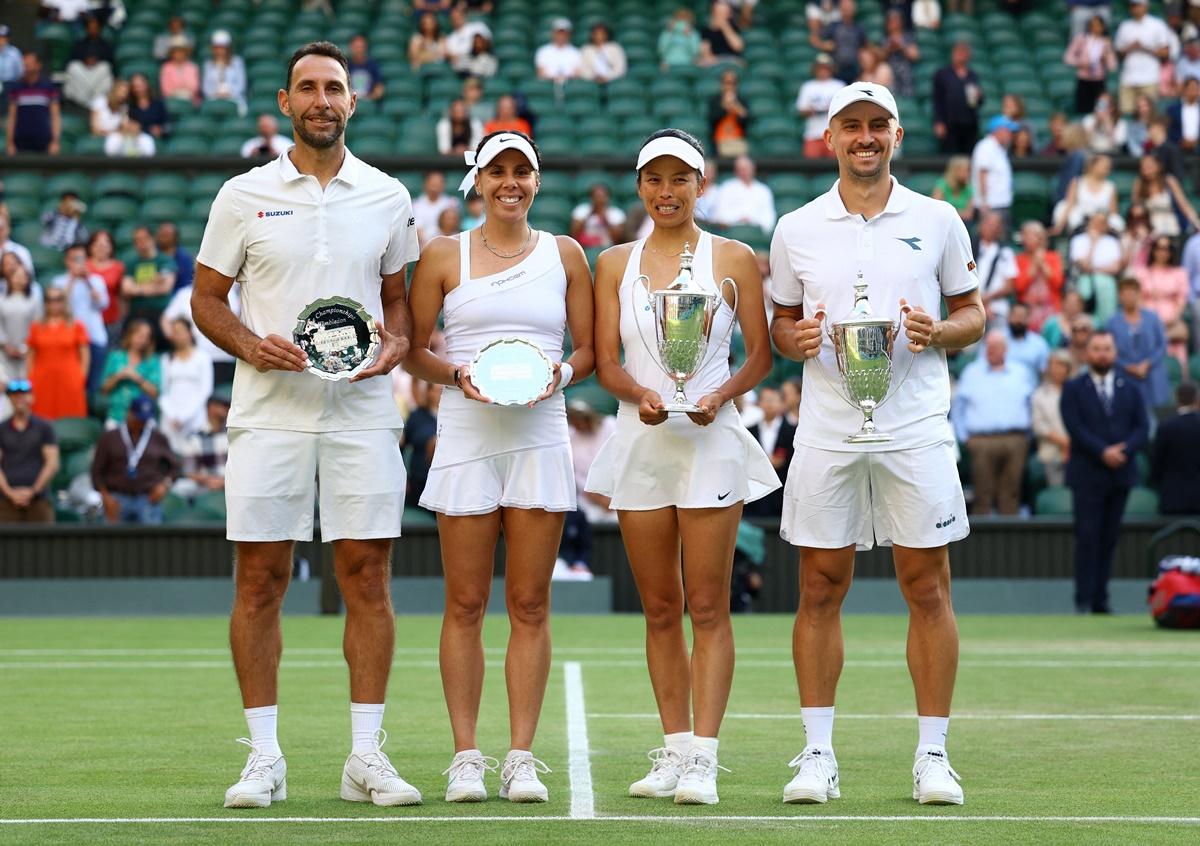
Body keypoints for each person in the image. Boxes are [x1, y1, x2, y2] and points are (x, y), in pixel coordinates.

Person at [191, 41, 423, 808]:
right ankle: (264, 758)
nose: (322, 100)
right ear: (286, 104)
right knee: (260, 580)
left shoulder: (388, 196)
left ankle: (366, 758)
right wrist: (250, 343)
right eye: (308, 88)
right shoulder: (240, 195)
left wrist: (394, 344)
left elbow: (398, 306)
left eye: (335, 88)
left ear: (352, 102)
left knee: (368, 576)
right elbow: (206, 300)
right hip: (268, 415)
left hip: (360, 413)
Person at [769, 82, 984, 807]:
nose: (864, 137)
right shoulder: (796, 226)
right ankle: (817, 755)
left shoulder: (939, 217)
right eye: (851, 126)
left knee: (927, 588)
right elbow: (783, 324)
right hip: (829, 426)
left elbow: (972, 313)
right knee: (819, 587)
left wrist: (939, 333)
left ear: (896, 136)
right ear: (829, 138)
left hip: (916, 426)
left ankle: (933, 757)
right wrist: (788, 339)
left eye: (877, 126)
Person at [586, 128, 776, 805]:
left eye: (680, 179)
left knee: (708, 605)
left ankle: (704, 758)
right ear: (641, 186)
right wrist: (634, 392)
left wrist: (720, 394)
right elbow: (605, 359)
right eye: (655, 180)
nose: (667, 192)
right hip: (641, 443)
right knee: (660, 608)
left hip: (712, 440)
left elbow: (761, 356)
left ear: (702, 184)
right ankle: (671, 748)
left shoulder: (737, 258)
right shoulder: (611, 263)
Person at [403, 129, 594, 803]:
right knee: (464, 601)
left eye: (522, 171)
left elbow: (592, 351)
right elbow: (413, 349)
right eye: (497, 171)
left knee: (530, 602)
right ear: (477, 181)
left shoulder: (567, 255)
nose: (510, 182)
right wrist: (457, 374)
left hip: (540, 432)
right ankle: (465, 756)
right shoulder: (440, 255)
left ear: (535, 181)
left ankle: (520, 756)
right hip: (465, 434)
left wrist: (560, 372)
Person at [1060, 330, 1148, 613]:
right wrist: (1103, 451)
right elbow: (1074, 427)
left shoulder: (1131, 388)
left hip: (1120, 473)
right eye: (1096, 348)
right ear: (1087, 354)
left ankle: (1101, 600)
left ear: (1115, 353)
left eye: (1107, 348)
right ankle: (1083, 599)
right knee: (1087, 536)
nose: (1102, 353)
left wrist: (1124, 450)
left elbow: (1142, 428)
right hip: (1087, 473)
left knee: (1110, 538)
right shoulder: (1073, 388)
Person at [951, 331, 1035, 515]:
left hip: (1016, 439)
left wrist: (1027, 436)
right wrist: (965, 438)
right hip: (981, 441)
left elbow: (1031, 404)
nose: (992, 350)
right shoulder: (972, 372)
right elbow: (958, 408)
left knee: (1012, 494)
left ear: (1005, 349)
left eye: (996, 346)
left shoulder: (1020, 372)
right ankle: (982, 542)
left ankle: (1011, 539)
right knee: (982, 495)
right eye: (988, 346)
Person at [91, 394, 180, 525]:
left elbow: (175, 468)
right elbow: (96, 472)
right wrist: (106, 497)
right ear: (129, 413)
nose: (141, 422)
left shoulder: (158, 437)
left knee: (151, 543)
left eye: (145, 419)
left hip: (148, 498)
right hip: (116, 498)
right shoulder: (109, 438)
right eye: (138, 418)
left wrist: (164, 485)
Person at [51, 243, 108, 395]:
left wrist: (87, 281)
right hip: (69, 340)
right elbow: (59, 307)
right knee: (70, 384)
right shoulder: (60, 282)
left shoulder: (96, 280)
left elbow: (103, 304)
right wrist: (73, 280)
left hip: (94, 338)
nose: (78, 263)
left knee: (92, 387)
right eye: (74, 259)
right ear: (67, 261)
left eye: (81, 259)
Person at [1108, 276, 1170, 414]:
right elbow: (1109, 349)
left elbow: (1162, 345)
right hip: (1124, 375)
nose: (1128, 297)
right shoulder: (1113, 322)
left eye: (1132, 292)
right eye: (1124, 293)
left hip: (1151, 375)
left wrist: (1147, 363)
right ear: (1119, 296)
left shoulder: (1152, 318)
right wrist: (1126, 366)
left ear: (1138, 294)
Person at [0, 379, 59, 524]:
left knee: (44, 544)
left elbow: (52, 463)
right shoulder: (1, 429)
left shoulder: (44, 427)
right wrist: (10, 493)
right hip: (6, 501)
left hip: (39, 500)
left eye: (24, 394)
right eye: (15, 395)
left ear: (32, 397)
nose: (19, 398)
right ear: (10, 399)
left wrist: (33, 491)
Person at [26, 287, 89, 420]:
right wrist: (31, 378)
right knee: (41, 416)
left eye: (58, 299)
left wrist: (80, 379)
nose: (53, 304)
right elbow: (30, 356)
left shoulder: (76, 325)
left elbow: (85, 356)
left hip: (69, 379)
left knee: (71, 416)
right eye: (49, 300)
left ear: (63, 302)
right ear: (45, 303)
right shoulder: (36, 326)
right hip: (42, 380)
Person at [159, 317, 213, 455]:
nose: (178, 335)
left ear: (190, 332)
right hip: (170, 418)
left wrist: (184, 417)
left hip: (195, 416)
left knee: (194, 456)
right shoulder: (166, 359)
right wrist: (171, 415)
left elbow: (206, 390)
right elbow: (162, 392)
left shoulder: (203, 357)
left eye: (181, 331)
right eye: (174, 332)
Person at [1135, 235, 1190, 361]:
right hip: (1146, 319)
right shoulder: (1142, 272)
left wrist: (1173, 319)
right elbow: (1137, 298)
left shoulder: (1179, 273)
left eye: (1166, 248)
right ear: (1153, 250)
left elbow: (1181, 299)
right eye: (1159, 248)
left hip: (1171, 319)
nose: (1162, 252)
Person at [1149, 383, 1200, 514]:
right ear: (1196, 399)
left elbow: (1156, 464)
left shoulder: (1166, 427)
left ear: (1176, 399)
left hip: (1172, 498)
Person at [100, 318, 161, 427]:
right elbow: (104, 388)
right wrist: (119, 376)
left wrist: (137, 378)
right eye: (140, 335)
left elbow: (155, 393)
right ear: (130, 335)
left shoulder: (152, 361)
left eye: (147, 337)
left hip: (143, 416)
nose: (143, 340)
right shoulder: (115, 357)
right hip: (116, 414)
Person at [1114, 1, 1173, 114]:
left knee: (1149, 114)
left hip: (1149, 77)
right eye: (1133, 5)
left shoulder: (1157, 24)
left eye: (1138, 5)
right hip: (1128, 78)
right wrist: (1130, 47)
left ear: (1145, 6)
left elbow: (1165, 52)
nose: (1135, 8)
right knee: (1127, 113)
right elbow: (1118, 53)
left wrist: (1145, 48)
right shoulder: (1125, 26)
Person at [746, 385, 794, 518]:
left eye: (773, 400)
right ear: (759, 403)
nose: (769, 404)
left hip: (783, 495)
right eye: (765, 400)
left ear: (782, 403)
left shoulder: (792, 431)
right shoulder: (749, 432)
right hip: (756, 498)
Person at [174, 393, 230, 501]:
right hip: (204, 487)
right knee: (179, 488)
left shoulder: (233, 435)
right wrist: (210, 480)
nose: (228, 409)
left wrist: (224, 482)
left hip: (232, 484)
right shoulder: (194, 437)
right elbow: (189, 471)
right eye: (224, 405)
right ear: (212, 407)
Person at [1131, 153, 1200, 239]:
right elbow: (1134, 210)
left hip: (1171, 228)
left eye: (1149, 165)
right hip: (1149, 232)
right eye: (1143, 166)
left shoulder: (1169, 181)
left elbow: (1184, 205)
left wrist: (1196, 223)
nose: (1146, 168)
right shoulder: (1139, 183)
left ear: (1158, 166)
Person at [932, 41, 983, 155]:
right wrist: (939, 121)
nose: (960, 55)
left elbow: (978, 102)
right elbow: (937, 99)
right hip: (950, 124)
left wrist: (979, 96)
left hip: (970, 124)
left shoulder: (972, 75)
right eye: (958, 52)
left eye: (963, 52)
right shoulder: (942, 74)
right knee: (950, 156)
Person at [122, 225, 176, 331]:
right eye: (137, 240)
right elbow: (126, 289)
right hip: (137, 314)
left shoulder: (165, 261)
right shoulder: (131, 263)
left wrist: (136, 288)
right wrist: (153, 283)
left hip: (160, 314)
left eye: (144, 238)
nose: (141, 243)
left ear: (152, 238)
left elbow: (165, 288)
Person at [5, 53, 61, 155]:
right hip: (21, 141)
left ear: (38, 65)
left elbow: (55, 117)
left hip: (43, 141)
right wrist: (10, 143)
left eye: (29, 64)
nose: (25, 67)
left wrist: (55, 142)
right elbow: (12, 117)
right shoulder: (16, 88)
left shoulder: (49, 88)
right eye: (24, 64)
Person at [1032, 350, 1073, 487]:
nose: (1056, 370)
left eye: (1060, 365)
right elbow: (1039, 426)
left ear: (1068, 368)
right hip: (1051, 453)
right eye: (1053, 365)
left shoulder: (1078, 390)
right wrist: (1064, 443)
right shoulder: (1039, 394)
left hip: (1078, 451)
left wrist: (1071, 444)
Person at [1053, 153, 1121, 235]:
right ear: (1092, 166)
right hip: (1081, 224)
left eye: (1108, 167)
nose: (1107, 169)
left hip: (1102, 223)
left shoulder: (1111, 187)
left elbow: (1113, 213)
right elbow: (1069, 204)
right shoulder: (1077, 182)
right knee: (1073, 215)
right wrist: (1059, 226)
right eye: (1104, 166)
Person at [1014, 223, 1063, 335]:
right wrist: (1034, 266)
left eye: (1030, 236)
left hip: (1051, 310)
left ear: (1040, 238)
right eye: (1024, 236)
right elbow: (1019, 287)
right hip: (1027, 312)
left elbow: (1057, 283)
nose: (1026, 239)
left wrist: (1043, 264)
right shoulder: (1019, 259)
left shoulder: (1053, 257)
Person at [0, 255, 41, 390]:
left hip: (27, 352)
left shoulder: (33, 300)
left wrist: (25, 348)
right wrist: (6, 345)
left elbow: (37, 324)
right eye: (15, 276)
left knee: (25, 386)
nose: (19, 279)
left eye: (23, 276)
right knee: (6, 386)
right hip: (5, 352)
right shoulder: (2, 299)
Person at [1064, 14, 1118, 115]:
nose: (1095, 28)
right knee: (1083, 110)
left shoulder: (1105, 42)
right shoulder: (1081, 39)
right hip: (1084, 81)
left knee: (1101, 109)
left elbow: (1112, 66)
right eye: (1092, 25)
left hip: (1099, 82)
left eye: (1098, 25)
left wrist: (1108, 50)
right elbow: (1068, 58)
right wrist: (1080, 63)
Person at [970, 115, 1016, 229]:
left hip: (1000, 205)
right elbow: (982, 174)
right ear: (998, 130)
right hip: (991, 206)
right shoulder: (986, 146)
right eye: (1008, 131)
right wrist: (984, 202)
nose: (1011, 135)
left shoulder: (1000, 148)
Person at [796, 54, 844, 160]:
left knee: (836, 166)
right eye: (820, 68)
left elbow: (844, 110)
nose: (823, 71)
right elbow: (801, 109)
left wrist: (830, 110)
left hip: (834, 134)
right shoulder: (808, 86)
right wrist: (811, 111)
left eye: (826, 68)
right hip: (813, 133)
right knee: (811, 166)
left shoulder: (839, 85)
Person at [400, 379, 439, 510]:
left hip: (446, 480)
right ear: (428, 392)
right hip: (421, 481)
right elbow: (401, 447)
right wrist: (403, 478)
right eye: (437, 390)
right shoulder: (417, 416)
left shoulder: (455, 418)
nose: (440, 394)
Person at [713, 154, 776, 234]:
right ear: (736, 171)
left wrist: (752, 220)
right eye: (740, 169)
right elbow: (719, 215)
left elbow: (769, 218)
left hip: (756, 234)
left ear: (753, 169)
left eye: (746, 169)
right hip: (732, 234)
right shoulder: (726, 188)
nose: (743, 172)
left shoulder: (763, 190)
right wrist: (739, 218)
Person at [974, 212, 1017, 327]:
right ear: (981, 225)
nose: (992, 228)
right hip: (972, 306)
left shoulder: (1006, 253)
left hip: (997, 308)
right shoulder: (970, 250)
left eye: (996, 225)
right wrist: (979, 301)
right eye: (989, 224)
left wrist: (986, 299)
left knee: (997, 339)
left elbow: (1009, 286)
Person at [63, 13, 114, 110]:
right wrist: (84, 61)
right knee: (73, 67)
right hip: (83, 73)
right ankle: (85, 102)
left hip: (98, 75)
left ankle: (92, 101)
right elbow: (70, 61)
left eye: (95, 27)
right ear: (86, 29)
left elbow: (111, 62)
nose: (93, 30)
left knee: (105, 67)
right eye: (90, 27)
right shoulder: (79, 43)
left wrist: (96, 62)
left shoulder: (105, 45)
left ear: (99, 29)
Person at [812, 0, 866, 84]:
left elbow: (864, 46)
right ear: (840, 9)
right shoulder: (833, 26)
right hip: (837, 69)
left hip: (855, 69)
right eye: (845, 7)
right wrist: (823, 45)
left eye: (849, 7)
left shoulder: (859, 28)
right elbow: (814, 38)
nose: (847, 9)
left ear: (854, 9)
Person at [707, 68, 750, 158]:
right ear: (721, 84)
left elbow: (746, 121)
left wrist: (736, 106)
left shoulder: (742, 100)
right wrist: (724, 107)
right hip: (719, 142)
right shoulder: (715, 100)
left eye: (733, 83)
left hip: (738, 142)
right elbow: (712, 120)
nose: (729, 86)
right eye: (726, 83)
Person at [86, 230, 124, 329]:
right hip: (88, 320)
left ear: (111, 248)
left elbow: (122, 296)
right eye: (97, 245)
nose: (101, 248)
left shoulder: (118, 267)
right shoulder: (83, 267)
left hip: (112, 320)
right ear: (90, 247)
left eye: (105, 245)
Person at [202, 30, 247, 113]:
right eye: (217, 47)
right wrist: (216, 94)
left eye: (222, 47)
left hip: (234, 99)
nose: (220, 50)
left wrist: (228, 93)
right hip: (213, 99)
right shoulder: (208, 64)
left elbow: (241, 85)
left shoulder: (237, 62)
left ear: (228, 48)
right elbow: (206, 88)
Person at [570, 183, 626, 249]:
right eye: (596, 196)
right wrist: (589, 214)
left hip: (608, 249)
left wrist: (605, 220)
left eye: (602, 196)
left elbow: (618, 240)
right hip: (585, 248)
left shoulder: (616, 213)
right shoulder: (581, 210)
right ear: (591, 197)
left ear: (608, 197)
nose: (599, 200)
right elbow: (574, 235)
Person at [412, 171, 460, 245]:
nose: (434, 187)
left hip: (447, 244)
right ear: (425, 184)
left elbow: (454, 230)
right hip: (423, 246)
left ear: (443, 185)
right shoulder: (415, 204)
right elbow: (418, 230)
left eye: (438, 184)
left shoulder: (452, 203)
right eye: (432, 184)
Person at [881, 9, 920, 97]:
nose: (894, 23)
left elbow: (915, 55)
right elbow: (879, 58)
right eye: (891, 21)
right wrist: (889, 49)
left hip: (906, 74)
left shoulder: (908, 37)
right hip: (890, 75)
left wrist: (901, 46)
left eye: (896, 20)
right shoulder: (884, 40)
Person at [930, 155, 975, 227]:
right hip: (942, 224)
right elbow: (937, 211)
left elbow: (969, 215)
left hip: (963, 225)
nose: (968, 174)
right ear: (955, 170)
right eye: (966, 170)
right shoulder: (942, 185)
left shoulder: (969, 188)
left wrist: (950, 213)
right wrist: (959, 213)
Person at [536, 18, 582, 83]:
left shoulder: (576, 52)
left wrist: (564, 79)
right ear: (553, 33)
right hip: (548, 85)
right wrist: (555, 79)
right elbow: (540, 74)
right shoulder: (543, 51)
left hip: (570, 85)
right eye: (559, 33)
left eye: (564, 33)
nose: (561, 36)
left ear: (568, 34)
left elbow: (577, 74)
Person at [128, 72, 170, 140]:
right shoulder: (130, 106)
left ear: (146, 85)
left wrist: (161, 129)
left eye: (140, 85)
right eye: (134, 86)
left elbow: (168, 125)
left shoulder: (158, 103)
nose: (138, 89)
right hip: (137, 139)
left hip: (157, 140)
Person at [159, 36, 200, 105]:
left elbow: (194, 87)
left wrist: (181, 90)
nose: (179, 53)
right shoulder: (166, 68)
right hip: (171, 102)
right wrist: (179, 92)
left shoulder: (192, 67)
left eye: (181, 50)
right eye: (176, 51)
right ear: (172, 53)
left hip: (190, 101)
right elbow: (165, 89)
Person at [157, 222, 194, 294]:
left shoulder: (185, 259)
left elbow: (186, 285)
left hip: (178, 298)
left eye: (167, 235)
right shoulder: (151, 255)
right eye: (161, 234)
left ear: (175, 237)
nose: (163, 238)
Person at [1166, 76, 1200, 152]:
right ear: (1184, 89)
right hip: (1178, 149)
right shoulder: (1173, 109)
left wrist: (1196, 142)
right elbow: (1169, 130)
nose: (1194, 91)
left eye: (1196, 88)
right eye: (1191, 88)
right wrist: (1181, 141)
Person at [348, 34, 385, 102]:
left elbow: (379, 89)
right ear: (351, 47)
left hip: (368, 103)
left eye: (361, 47)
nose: (359, 50)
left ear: (366, 47)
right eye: (356, 47)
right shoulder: (346, 66)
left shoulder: (373, 66)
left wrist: (369, 98)